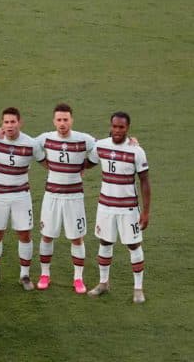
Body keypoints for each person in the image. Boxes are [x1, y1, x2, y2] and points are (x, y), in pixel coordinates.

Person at [86, 112, 151, 304]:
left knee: (133, 245)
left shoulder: (136, 151)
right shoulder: (101, 146)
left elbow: (145, 182)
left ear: (127, 128)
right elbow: (88, 162)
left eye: (121, 127)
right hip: (106, 206)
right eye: (114, 126)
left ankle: (138, 289)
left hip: (128, 209)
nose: (117, 130)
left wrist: (146, 212)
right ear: (111, 126)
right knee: (105, 242)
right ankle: (103, 283)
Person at [33, 103, 96, 294]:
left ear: (71, 120)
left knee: (77, 238)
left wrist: (84, 166)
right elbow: (25, 144)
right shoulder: (45, 138)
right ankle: (44, 274)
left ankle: (78, 278)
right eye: (59, 120)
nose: (62, 123)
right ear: (54, 121)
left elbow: (102, 148)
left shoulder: (84, 139)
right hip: (51, 196)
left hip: (74, 198)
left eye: (65, 120)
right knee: (47, 235)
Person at [0, 107, 45, 291]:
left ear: (20, 123)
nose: (9, 125)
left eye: (13, 122)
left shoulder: (31, 144)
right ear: (1, 124)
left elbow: (48, 162)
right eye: (6, 122)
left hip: (21, 196)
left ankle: (24, 276)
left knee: (24, 234)